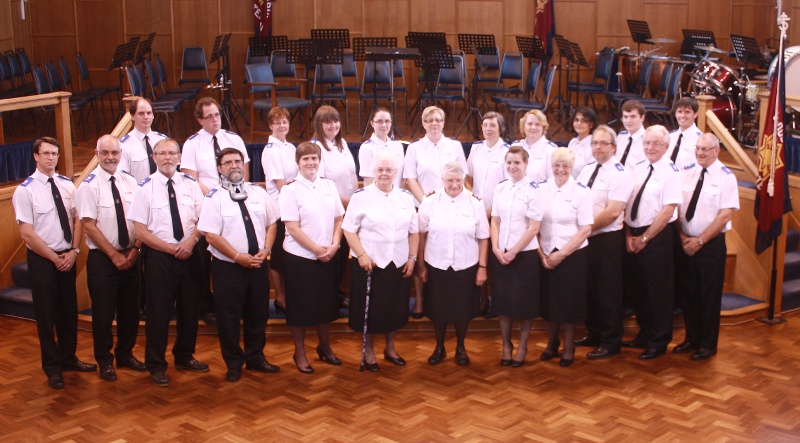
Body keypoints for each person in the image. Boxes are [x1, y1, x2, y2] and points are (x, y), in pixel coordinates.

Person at [12, 137, 95, 389]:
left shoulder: (67, 184)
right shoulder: (25, 190)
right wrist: (53, 257)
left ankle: (69, 358)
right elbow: (27, 233)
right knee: (46, 316)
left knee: (68, 312)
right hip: (42, 260)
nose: (51, 158)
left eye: (54, 154)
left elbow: (78, 219)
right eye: (46, 153)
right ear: (35, 157)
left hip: (67, 256)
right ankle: (52, 367)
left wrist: (73, 251)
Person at [127, 138, 208, 387]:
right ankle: (156, 364)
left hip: (191, 252)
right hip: (160, 257)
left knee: (189, 308)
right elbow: (139, 231)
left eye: (172, 153)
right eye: (161, 154)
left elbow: (203, 219)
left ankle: (184, 356)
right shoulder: (144, 188)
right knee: (158, 313)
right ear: (154, 158)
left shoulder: (191, 184)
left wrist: (190, 242)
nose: (167, 158)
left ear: (180, 156)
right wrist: (171, 249)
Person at [198, 148, 281, 382]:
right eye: (228, 162)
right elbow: (211, 236)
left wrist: (266, 250)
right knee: (229, 317)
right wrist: (236, 256)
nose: (234, 166)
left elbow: (272, 223)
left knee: (258, 314)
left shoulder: (258, 193)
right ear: (219, 168)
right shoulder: (214, 198)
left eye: (238, 161)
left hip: (257, 264)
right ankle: (234, 362)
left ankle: (256, 358)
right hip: (229, 268)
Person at [74, 135, 145, 382]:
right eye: (105, 153)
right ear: (97, 154)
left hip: (132, 256)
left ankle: (125, 354)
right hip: (103, 259)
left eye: (114, 153)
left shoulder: (131, 182)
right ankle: (104, 360)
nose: (110, 157)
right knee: (103, 314)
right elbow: (89, 226)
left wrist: (135, 249)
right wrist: (114, 255)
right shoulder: (88, 186)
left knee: (130, 311)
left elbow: (140, 219)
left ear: (120, 154)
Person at [342, 151, 419, 371]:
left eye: (389, 170)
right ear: (373, 172)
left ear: (396, 173)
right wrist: (362, 255)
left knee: (394, 309)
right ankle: (368, 351)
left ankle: (390, 348)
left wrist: (412, 258)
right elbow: (348, 230)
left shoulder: (405, 197)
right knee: (372, 311)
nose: (384, 173)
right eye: (380, 170)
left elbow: (414, 232)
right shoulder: (361, 196)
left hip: (398, 264)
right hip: (370, 264)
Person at [180, 97, 251, 325]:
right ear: (200, 120)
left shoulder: (233, 139)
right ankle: (206, 305)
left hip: (234, 204)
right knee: (204, 261)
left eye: (217, 114)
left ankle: (237, 303)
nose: (215, 120)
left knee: (232, 253)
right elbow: (191, 179)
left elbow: (244, 172)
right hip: (206, 205)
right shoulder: (192, 144)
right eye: (209, 116)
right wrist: (215, 196)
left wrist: (232, 194)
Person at [279, 142, 344, 374]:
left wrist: (335, 245)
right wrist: (317, 250)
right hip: (301, 257)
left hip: (328, 255)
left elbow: (339, 218)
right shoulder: (290, 189)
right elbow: (292, 228)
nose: (310, 163)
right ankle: (300, 352)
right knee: (300, 309)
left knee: (325, 305)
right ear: (298, 162)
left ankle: (325, 347)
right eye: (305, 159)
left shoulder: (328, 185)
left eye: (314, 158)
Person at [417, 162, 489, 366]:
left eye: (458, 180)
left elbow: (484, 237)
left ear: (464, 180)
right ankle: (439, 347)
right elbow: (420, 235)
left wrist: (482, 268)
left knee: (462, 311)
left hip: (465, 266)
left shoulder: (475, 203)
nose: (454, 184)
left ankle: (461, 347)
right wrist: (421, 265)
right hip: (436, 265)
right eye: (450, 180)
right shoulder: (430, 201)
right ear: (442, 180)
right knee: (437, 311)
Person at [675, 133, 739, 360]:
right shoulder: (687, 171)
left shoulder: (726, 177)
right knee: (688, 295)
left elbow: (724, 216)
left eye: (705, 149)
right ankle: (691, 339)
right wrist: (683, 237)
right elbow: (678, 208)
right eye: (698, 148)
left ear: (716, 151)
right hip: (684, 243)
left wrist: (700, 240)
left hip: (710, 246)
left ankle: (708, 344)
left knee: (708, 297)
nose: (700, 153)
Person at [621, 125, 682, 360]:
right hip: (632, 235)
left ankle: (659, 340)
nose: (650, 147)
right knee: (638, 290)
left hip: (657, 237)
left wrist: (645, 239)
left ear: (667, 147)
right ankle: (644, 334)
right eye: (647, 143)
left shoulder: (671, 172)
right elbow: (626, 204)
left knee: (658, 292)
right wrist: (628, 236)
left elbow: (668, 211)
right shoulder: (636, 168)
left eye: (656, 144)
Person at [574, 126, 634, 360]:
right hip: (586, 237)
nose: (597, 147)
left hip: (606, 239)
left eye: (602, 144)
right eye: (594, 143)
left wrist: (584, 230)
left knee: (608, 291)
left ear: (614, 148)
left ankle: (611, 341)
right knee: (589, 288)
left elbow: (612, 213)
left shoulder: (620, 174)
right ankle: (594, 332)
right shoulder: (587, 170)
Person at [404, 105, 468, 318]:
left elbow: (462, 176)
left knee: (444, 250)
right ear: (423, 123)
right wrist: (426, 202)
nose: (434, 124)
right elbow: (409, 178)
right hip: (422, 205)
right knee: (420, 252)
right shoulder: (414, 148)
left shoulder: (454, 146)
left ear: (443, 123)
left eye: (438, 120)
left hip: (452, 206)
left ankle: (446, 298)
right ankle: (421, 299)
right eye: (429, 120)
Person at [537, 148, 594, 367]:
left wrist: (562, 254)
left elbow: (585, 229)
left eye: (565, 166)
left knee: (568, 304)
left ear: (572, 168)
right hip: (546, 254)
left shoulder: (581, 191)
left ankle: (569, 346)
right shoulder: (541, 189)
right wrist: (542, 254)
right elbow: (534, 224)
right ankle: (552, 342)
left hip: (572, 255)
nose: (560, 170)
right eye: (557, 165)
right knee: (550, 301)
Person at [490, 145, 545, 367]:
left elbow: (533, 228)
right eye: (509, 163)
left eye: (517, 163)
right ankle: (506, 344)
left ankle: (522, 346)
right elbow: (495, 220)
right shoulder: (500, 188)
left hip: (525, 255)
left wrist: (514, 251)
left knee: (525, 305)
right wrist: (495, 247)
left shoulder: (534, 189)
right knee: (503, 304)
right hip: (501, 254)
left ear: (526, 164)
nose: (512, 167)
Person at [312, 105, 358, 308]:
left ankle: (337, 294)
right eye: (328, 122)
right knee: (333, 253)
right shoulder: (316, 148)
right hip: (331, 211)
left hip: (348, 207)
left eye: (336, 121)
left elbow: (352, 175)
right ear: (319, 124)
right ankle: (329, 298)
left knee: (342, 255)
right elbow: (321, 184)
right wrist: (349, 203)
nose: (333, 125)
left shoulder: (342, 144)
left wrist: (356, 198)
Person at [466, 111, 509, 319]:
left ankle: (496, 302)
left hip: (497, 216)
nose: (488, 129)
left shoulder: (508, 152)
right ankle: (481, 301)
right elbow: (468, 178)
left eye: (492, 125)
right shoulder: (476, 149)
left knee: (493, 260)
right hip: (476, 212)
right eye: (485, 125)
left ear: (500, 127)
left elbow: (508, 185)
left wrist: (490, 211)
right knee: (477, 258)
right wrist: (473, 201)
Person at [260, 107, 298, 314]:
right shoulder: (271, 151)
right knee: (277, 256)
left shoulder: (290, 147)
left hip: (292, 205)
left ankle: (289, 294)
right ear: (271, 125)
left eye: (285, 121)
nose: (282, 125)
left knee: (289, 254)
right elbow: (281, 184)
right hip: (280, 209)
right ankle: (280, 297)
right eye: (277, 122)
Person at [118, 98, 168, 183]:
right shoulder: (123, 145)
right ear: (132, 116)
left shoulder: (163, 140)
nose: (146, 117)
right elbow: (123, 179)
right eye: (141, 113)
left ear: (153, 116)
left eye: (149, 113)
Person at [359, 107, 404, 188]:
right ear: (372, 123)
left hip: (396, 196)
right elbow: (368, 180)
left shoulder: (398, 146)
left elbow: (402, 176)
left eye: (387, 121)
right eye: (379, 121)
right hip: (376, 197)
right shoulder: (366, 148)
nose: (384, 125)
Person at [511, 109, 557, 183]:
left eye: (537, 124)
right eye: (529, 124)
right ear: (523, 126)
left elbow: (553, 181)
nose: (533, 127)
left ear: (543, 127)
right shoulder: (515, 146)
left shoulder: (551, 150)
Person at [668, 97, 703, 169]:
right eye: (679, 112)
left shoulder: (700, 140)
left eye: (687, 112)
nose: (682, 116)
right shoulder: (669, 136)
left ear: (695, 114)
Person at [568, 107, 598, 179]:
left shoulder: (593, 146)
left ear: (591, 125)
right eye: (576, 120)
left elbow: (591, 174)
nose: (579, 123)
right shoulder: (573, 142)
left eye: (583, 121)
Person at [616, 100, 647, 169]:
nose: (628, 121)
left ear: (642, 118)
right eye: (625, 117)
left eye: (633, 117)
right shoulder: (621, 137)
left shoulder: (647, 140)